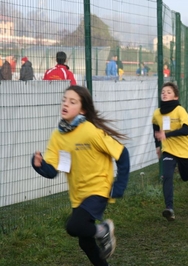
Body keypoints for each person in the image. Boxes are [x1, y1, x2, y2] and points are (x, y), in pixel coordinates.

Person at [31, 85, 130, 265]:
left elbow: (122, 154)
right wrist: (39, 165)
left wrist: (120, 185)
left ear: (82, 109)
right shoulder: (57, 136)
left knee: (74, 226)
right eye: (64, 100)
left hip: (99, 188)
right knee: (85, 241)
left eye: (72, 101)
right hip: (78, 195)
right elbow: (53, 171)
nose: (65, 104)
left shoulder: (90, 131)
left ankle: (104, 229)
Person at [152, 82, 188, 221]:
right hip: (168, 150)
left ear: (175, 96)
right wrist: (158, 146)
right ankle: (169, 208)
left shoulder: (180, 110)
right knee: (167, 176)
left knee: (185, 177)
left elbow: (186, 130)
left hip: (184, 150)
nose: (164, 93)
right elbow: (155, 128)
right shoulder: (157, 113)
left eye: (168, 92)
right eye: (163, 92)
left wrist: (168, 135)